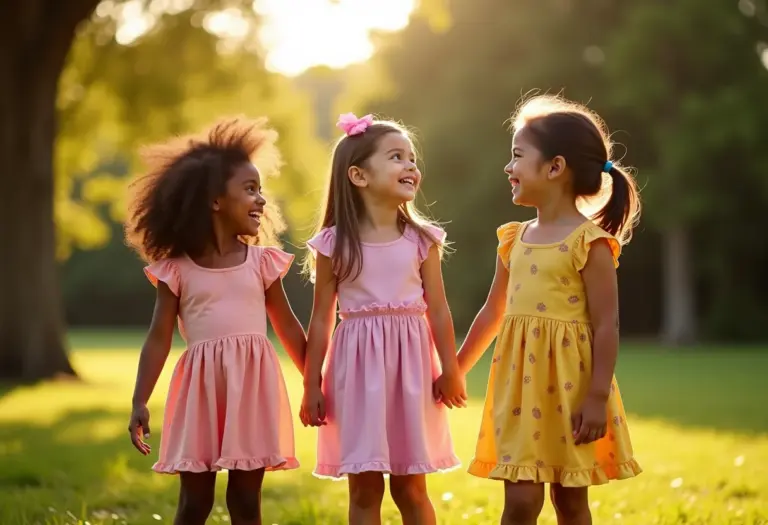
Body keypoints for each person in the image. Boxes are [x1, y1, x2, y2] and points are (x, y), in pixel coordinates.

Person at [457, 95, 643, 525]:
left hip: (572, 392)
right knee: (521, 503)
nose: (508, 167)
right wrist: (456, 369)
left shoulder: (590, 243)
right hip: (520, 391)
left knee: (570, 502)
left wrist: (596, 397)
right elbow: (493, 311)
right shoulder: (514, 239)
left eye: (518, 156)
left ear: (555, 167)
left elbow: (607, 325)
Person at [124, 117, 306, 525]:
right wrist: (139, 400)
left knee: (246, 501)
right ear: (215, 200)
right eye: (250, 189)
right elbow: (158, 338)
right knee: (194, 503)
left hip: (252, 388)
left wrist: (316, 380)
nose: (262, 200)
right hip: (200, 392)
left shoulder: (262, 263)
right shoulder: (177, 270)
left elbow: (288, 326)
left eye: (261, 189)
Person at [301, 113, 466, 525]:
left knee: (411, 487)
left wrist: (451, 369)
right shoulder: (333, 244)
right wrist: (311, 383)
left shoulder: (423, 240)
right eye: (396, 157)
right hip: (356, 373)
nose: (410, 166)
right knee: (364, 488)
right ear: (358, 175)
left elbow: (439, 310)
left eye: (412, 158)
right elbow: (321, 319)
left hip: (412, 371)